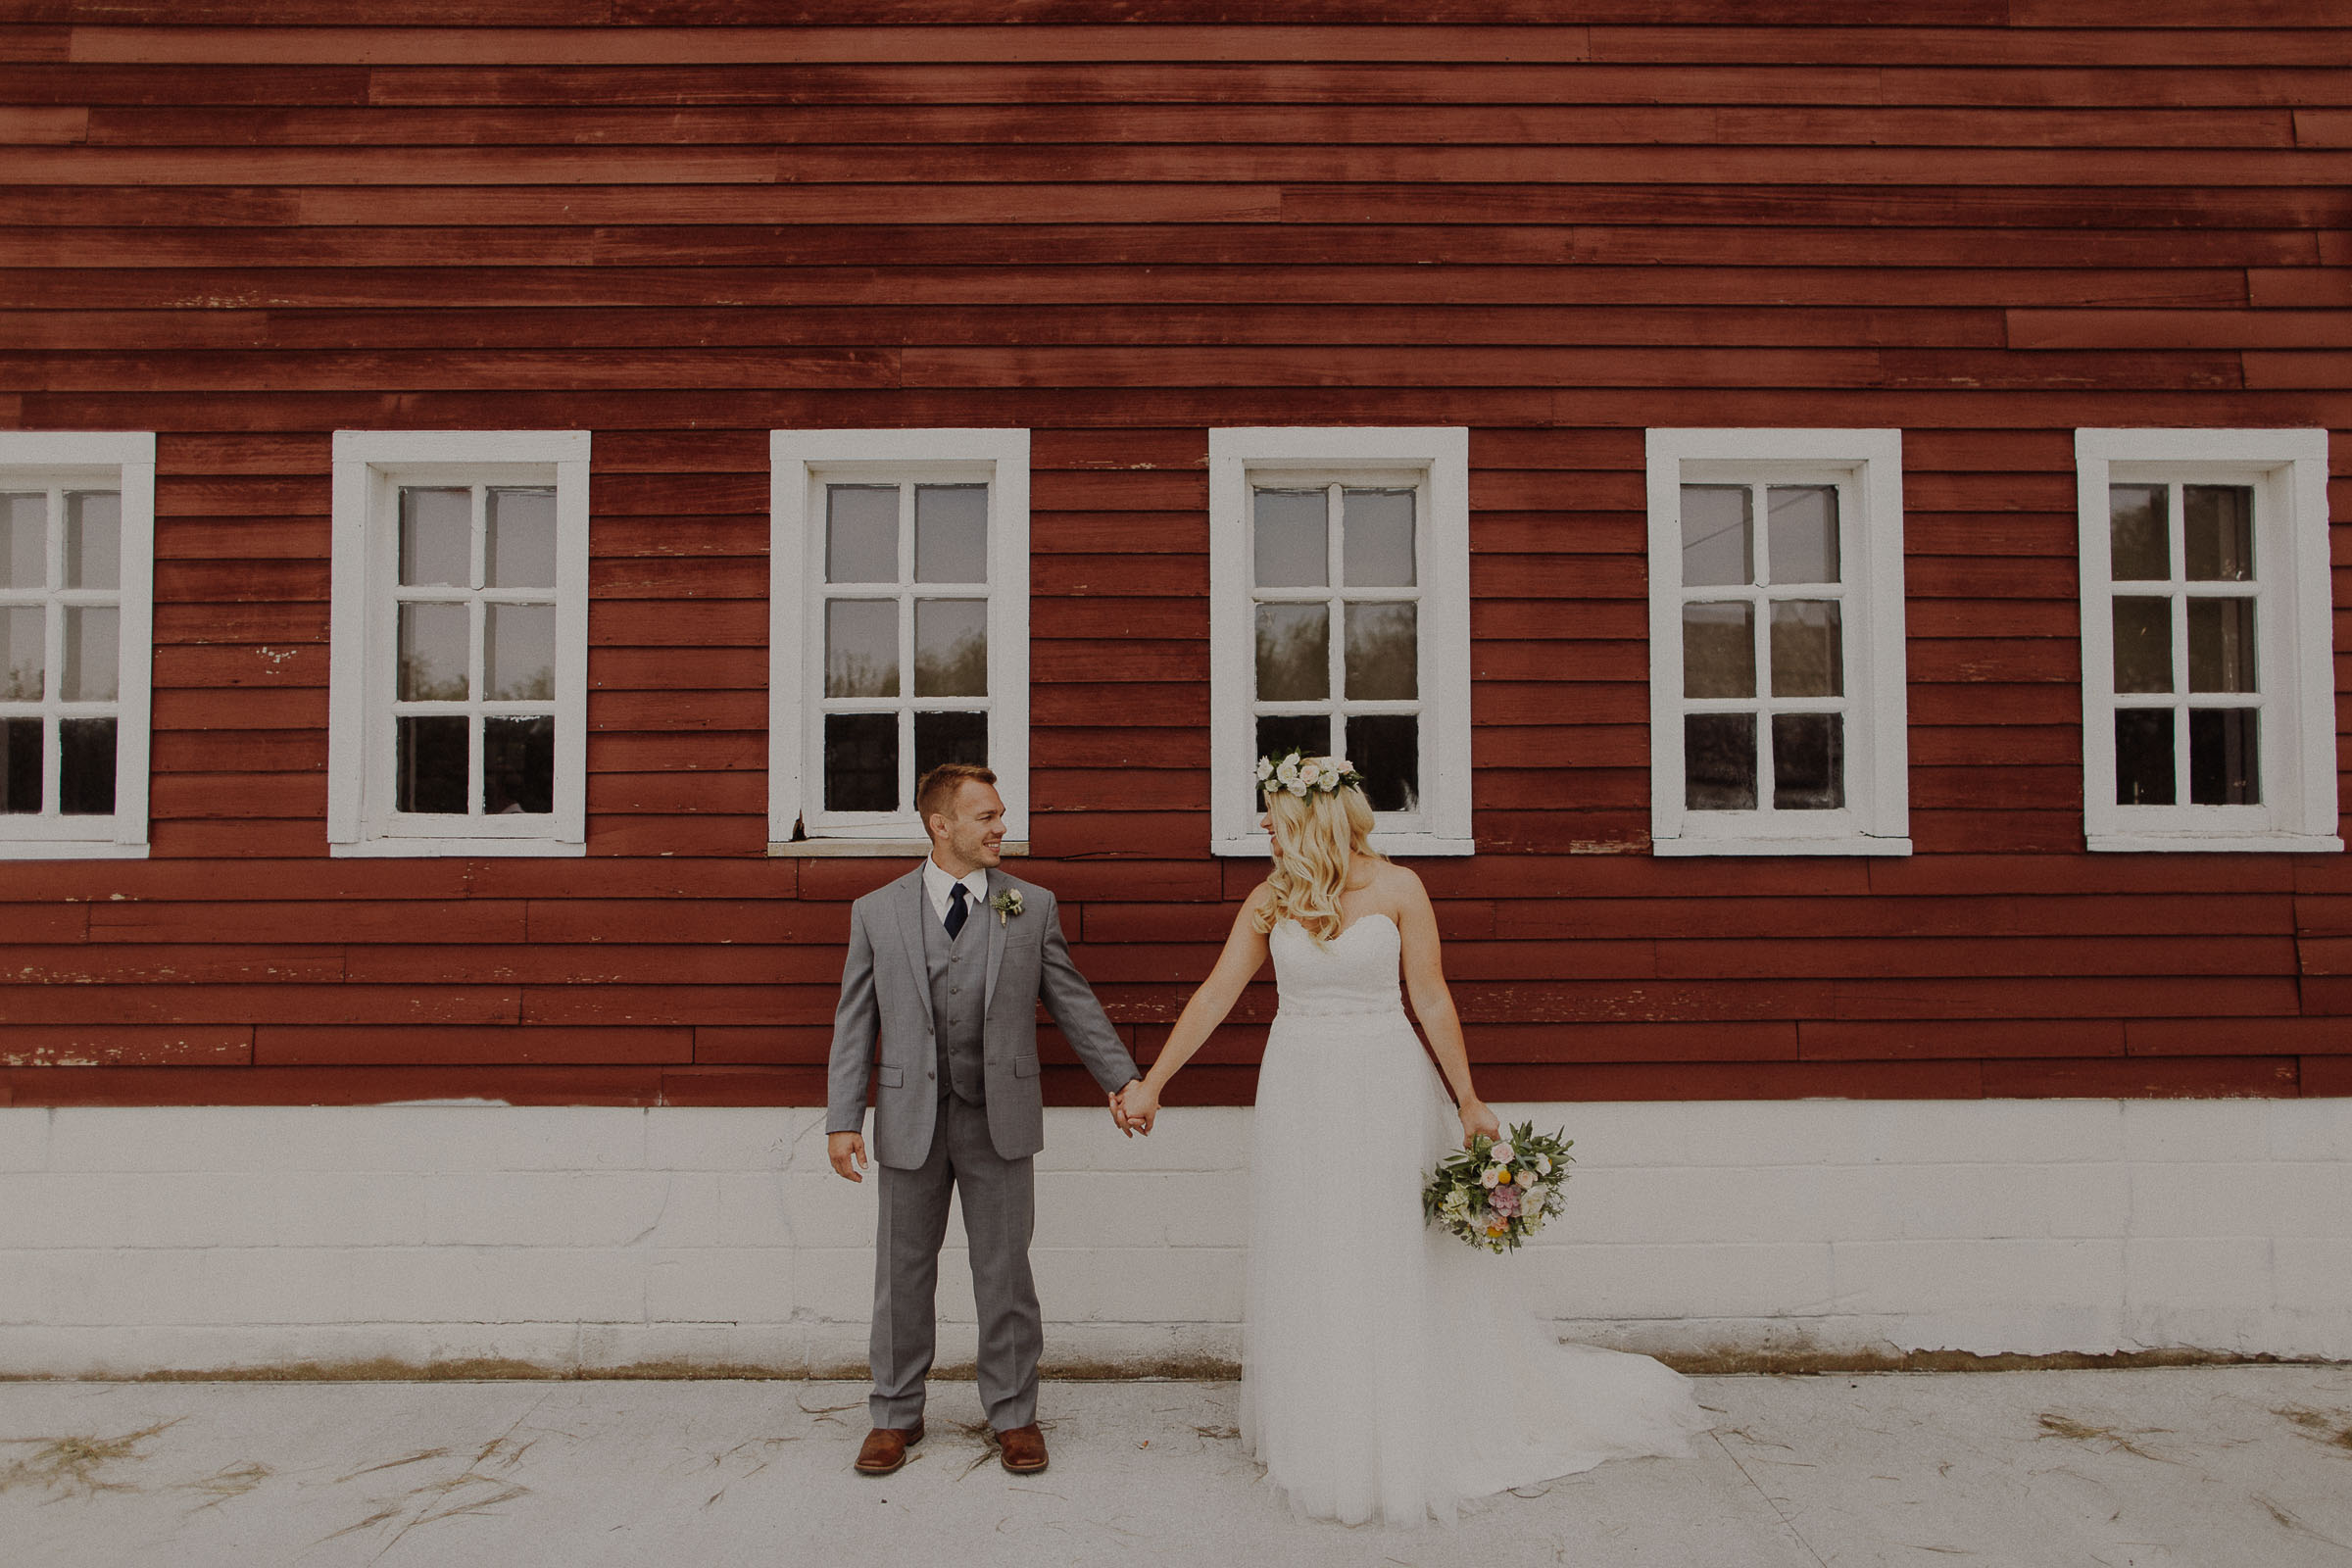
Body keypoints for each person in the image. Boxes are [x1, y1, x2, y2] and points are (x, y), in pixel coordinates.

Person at [1115, 753, 1708, 1525]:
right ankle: (1325, 1424)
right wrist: (1153, 1082)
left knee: (1386, 1243)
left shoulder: (1400, 889)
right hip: (1301, 1086)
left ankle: (1393, 1425)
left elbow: (1429, 996)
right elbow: (1216, 993)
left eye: (1273, 811)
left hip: (1383, 1082)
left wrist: (1468, 1098)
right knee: (1315, 1244)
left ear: (1312, 816)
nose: (1262, 824)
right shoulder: (1272, 896)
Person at [825, 762, 1148, 1479]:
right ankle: (894, 1414)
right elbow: (855, 1022)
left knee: (1004, 1272)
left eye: (1001, 816)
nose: (1002, 828)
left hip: (999, 1115)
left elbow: (1073, 1001)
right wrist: (842, 1117)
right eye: (987, 817)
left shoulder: (1029, 905)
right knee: (900, 1273)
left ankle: (1013, 1415)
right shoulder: (876, 912)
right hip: (910, 1114)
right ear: (941, 826)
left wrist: (1123, 1079)